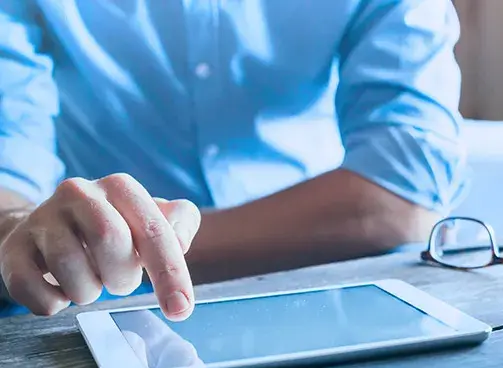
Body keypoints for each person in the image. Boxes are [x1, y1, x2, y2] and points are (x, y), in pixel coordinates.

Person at [0, 0, 468, 321]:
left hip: (331, 289)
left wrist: (133, 249)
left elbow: (403, 194)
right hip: (99, 311)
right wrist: (23, 231)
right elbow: (9, 155)